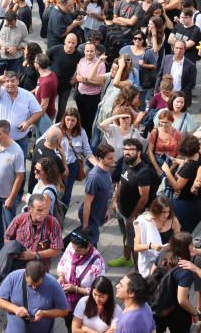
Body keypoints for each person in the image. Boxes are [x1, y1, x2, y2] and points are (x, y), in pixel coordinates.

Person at [110, 138, 152, 269]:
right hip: (121, 210)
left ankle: (138, 271)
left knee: (134, 242)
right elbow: (121, 182)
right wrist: (115, 199)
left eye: (131, 150)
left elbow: (144, 197)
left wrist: (133, 217)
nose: (127, 152)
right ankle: (126, 258)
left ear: (139, 152)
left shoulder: (143, 173)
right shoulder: (126, 162)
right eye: (125, 149)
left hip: (132, 215)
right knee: (125, 236)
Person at [0, 259, 70, 333]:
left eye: (38, 285)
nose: (34, 288)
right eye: (30, 285)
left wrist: (44, 313)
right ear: (25, 274)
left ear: (44, 276)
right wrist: (15, 309)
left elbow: (64, 311)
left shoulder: (53, 284)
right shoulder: (13, 277)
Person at [0, 120, 25, 257]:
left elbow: (20, 176)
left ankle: (11, 249)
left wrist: (11, 198)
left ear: (7, 134)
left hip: (7, 197)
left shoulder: (17, 151)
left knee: (10, 225)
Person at [5, 193, 64, 273]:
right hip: (18, 270)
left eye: (45, 209)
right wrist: (15, 252)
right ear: (30, 209)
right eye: (39, 210)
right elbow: (7, 238)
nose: (43, 213)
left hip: (40, 273)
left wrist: (34, 255)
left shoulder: (53, 223)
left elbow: (56, 249)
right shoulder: (19, 219)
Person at [56, 228, 105, 322]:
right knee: (69, 323)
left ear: (88, 247)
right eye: (74, 249)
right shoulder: (72, 246)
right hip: (68, 301)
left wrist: (76, 289)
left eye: (78, 250)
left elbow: (99, 290)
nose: (74, 252)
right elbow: (62, 262)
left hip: (85, 305)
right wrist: (61, 276)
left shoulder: (97, 263)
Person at [78, 143, 115, 247]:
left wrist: (107, 209)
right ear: (100, 159)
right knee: (91, 243)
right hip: (90, 217)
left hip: (98, 214)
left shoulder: (107, 171)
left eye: (113, 157)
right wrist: (85, 226)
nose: (113, 160)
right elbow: (87, 203)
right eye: (109, 158)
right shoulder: (94, 177)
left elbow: (107, 194)